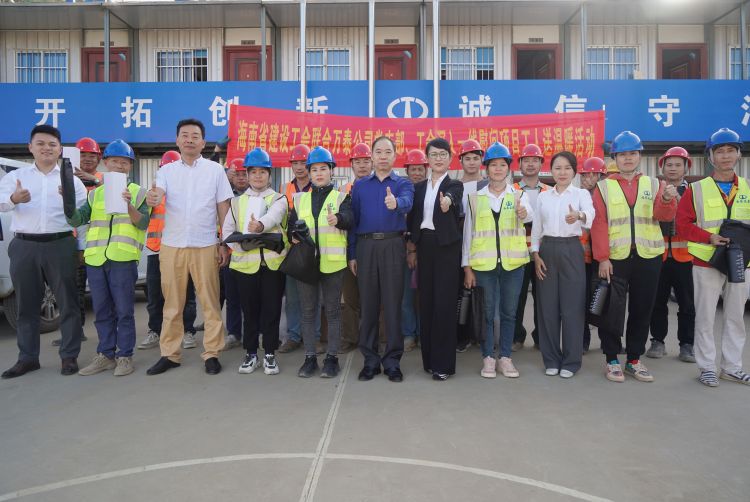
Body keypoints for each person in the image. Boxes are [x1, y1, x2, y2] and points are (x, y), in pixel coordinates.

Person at [145, 118, 234, 376]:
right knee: (172, 304)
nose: (190, 140)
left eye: (195, 136)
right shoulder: (167, 171)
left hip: (205, 244)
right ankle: (170, 354)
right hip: (172, 245)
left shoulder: (215, 171)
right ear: (177, 140)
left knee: (210, 302)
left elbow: (223, 207)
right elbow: (158, 193)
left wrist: (224, 242)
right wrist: (153, 196)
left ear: (203, 142)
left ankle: (212, 353)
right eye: (185, 135)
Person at [0, 124, 86, 379]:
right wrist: (14, 200)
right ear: (30, 147)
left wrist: (81, 247)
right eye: (40, 143)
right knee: (26, 305)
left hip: (60, 244)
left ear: (60, 149)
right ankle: (27, 358)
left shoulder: (72, 181)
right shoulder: (17, 177)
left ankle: (69, 356)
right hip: (24, 245)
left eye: (52, 144)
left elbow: (83, 218)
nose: (46, 148)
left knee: (68, 303)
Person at [592, 130, 677, 383]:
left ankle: (634, 359)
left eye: (632, 153)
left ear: (640, 156)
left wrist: (667, 199)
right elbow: (599, 223)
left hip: (648, 257)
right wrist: (603, 257)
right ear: (614, 158)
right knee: (611, 310)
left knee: (642, 309)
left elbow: (664, 216)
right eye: (622, 154)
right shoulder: (603, 187)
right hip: (615, 258)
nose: (628, 158)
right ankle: (611, 359)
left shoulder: (655, 184)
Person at [68, 140, 150, 377]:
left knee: (124, 311)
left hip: (123, 259)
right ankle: (105, 354)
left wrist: (128, 205)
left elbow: (143, 222)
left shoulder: (139, 192)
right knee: (102, 311)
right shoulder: (95, 195)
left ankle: (125, 356)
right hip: (96, 260)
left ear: (130, 166)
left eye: (125, 162)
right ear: (106, 163)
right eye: (115, 161)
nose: (119, 166)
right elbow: (77, 219)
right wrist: (67, 201)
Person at [676, 127, 750, 387]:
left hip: (741, 262)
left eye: (731, 150)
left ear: (739, 155)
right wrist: (708, 237)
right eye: (720, 151)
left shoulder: (748, 187)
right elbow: (682, 225)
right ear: (710, 157)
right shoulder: (696, 189)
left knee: (735, 316)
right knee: (706, 316)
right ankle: (707, 367)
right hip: (706, 261)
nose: (725, 156)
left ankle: (732, 367)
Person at [463, 142, 533, 379]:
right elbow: (468, 235)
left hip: (513, 265)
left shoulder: (520, 195)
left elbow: (530, 215)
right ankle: (488, 357)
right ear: (486, 169)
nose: (498, 169)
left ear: (508, 168)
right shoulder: (475, 198)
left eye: (502, 165)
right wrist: (467, 267)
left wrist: (524, 213)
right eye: (493, 165)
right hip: (484, 266)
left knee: (509, 313)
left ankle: (505, 357)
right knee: (487, 312)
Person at [349, 136, 414, 382]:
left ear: (395, 156)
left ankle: (392, 361)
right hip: (365, 247)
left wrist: (396, 203)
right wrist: (352, 254)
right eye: (379, 152)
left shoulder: (403, 183)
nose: (383, 156)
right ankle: (370, 361)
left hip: (393, 246)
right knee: (368, 306)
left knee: (393, 305)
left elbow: (408, 203)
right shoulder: (360, 186)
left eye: (388, 152)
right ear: (372, 156)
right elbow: (353, 221)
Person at [222, 148, 288, 376]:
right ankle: (251, 353)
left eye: (262, 172)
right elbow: (227, 232)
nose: (258, 176)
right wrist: (242, 246)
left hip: (272, 266)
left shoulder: (278, 199)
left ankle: (269, 354)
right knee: (249, 312)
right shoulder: (236, 202)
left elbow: (274, 216)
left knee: (271, 311)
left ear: (269, 174)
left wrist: (259, 226)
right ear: (247, 175)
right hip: (244, 266)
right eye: (253, 172)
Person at [289, 146, 353, 378]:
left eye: (323, 169)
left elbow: (350, 219)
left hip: (333, 263)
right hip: (306, 264)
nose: (318, 173)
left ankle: (332, 359)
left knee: (333, 311)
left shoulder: (342, 197)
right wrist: (293, 235)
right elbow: (290, 228)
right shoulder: (299, 200)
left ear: (331, 171)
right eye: (314, 169)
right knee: (307, 311)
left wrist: (340, 218)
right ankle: (309, 358)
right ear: (309, 173)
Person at [531, 151, 594, 378]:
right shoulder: (543, 196)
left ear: (574, 171)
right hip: (547, 250)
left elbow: (591, 214)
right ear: (551, 171)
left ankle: (571, 361)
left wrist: (579, 215)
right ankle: (551, 359)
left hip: (572, 250)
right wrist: (535, 254)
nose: (562, 172)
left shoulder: (580, 194)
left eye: (567, 168)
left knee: (572, 308)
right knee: (547, 308)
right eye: (557, 168)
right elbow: (537, 227)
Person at [407, 138, 463, 380]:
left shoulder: (455, 184)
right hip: (425, 246)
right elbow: (412, 217)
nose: (438, 158)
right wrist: (411, 248)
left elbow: (453, 197)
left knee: (444, 305)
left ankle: (443, 365)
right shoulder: (419, 188)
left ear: (450, 158)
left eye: (443, 154)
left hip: (447, 249)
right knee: (427, 303)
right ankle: (429, 360)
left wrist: (446, 202)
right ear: (427, 159)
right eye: (434, 154)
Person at [137, 150, 200, 351]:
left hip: (182, 250)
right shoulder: (152, 194)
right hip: (156, 251)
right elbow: (142, 219)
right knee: (155, 295)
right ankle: (155, 330)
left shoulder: (188, 194)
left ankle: (188, 331)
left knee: (186, 294)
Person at [647, 147, 696, 363]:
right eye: (669, 165)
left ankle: (687, 344)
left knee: (687, 303)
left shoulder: (694, 192)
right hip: (659, 255)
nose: (673, 168)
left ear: (686, 168)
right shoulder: (655, 190)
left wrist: (680, 198)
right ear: (663, 168)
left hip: (686, 257)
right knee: (657, 302)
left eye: (678, 165)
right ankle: (657, 341)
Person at [51, 136, 102, 347]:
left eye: (92, 156)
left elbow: (116, 193)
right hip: (74, 243)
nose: (87, 159)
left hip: (100, 244)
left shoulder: (103, 179)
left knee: (101, 291)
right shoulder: (65, 179)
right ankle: (75, 331)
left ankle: (108, 333)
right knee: (74, 290)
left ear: (99, 159)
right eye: (83, 155)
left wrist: (93, 180)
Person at [278, 144, 322, 354]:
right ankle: (294, 336)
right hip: (292, 249)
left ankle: (315, 337)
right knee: (293, 296)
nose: (299, 167)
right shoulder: (284, 189)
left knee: (315, 296)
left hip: (314, 248)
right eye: (295, 163)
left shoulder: (319, 187)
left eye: (303, 163)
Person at [512, 143, 550, 351]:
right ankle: (517, 336)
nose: (530, 164)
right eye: (526, 160)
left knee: (542, 296)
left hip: (543, 251)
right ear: (519, 164)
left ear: (541, 164)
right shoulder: (512, 191)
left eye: (535, 160)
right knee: (516, 296)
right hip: (518, 251)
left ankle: (540, 337)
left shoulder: (550, 191)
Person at [340, 143, 373, 353]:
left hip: (373, 247)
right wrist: (351, 253)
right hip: (348, 248)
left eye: (365, 161)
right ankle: (350, 337)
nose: (362, 165)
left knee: (375, 296)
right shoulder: (344, 191)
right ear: (351, 165)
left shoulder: (379, 187)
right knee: (349, 297)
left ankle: (377, 338)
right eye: (357, 161)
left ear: (372, 163)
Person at [456, 139, 488, 352]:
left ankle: (481, 334)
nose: (472, 162)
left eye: (476, 158)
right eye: (467, 158)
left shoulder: (488, 185)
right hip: (458, 243)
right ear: (461, 161)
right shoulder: (454, 186)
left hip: (483, 244)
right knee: (461, 290)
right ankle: (463, 335)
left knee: (482, 290)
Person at [577, 156, 607, 353]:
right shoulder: (576, 197)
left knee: (605, 299)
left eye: (594, 175)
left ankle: (608, 341)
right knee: (581, 301)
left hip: (604, 258)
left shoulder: (607, 198)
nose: (588, 179)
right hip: (582, 260)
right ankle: (583, 341)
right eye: (585, 175)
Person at [402, 149, 429, 352]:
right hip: (404, 250)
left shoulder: (431, 191)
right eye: (413, 169)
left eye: (420, 169)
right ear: (407, 171)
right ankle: (409, 334)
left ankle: (424, 333)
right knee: (406, 296)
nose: (417, 173)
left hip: (427, 251)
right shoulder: (402, 191)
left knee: (425, 295)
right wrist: (410, 249)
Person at [220, 157, 248, 350]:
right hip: (230, 252)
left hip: (251, 252)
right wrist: (222, 246)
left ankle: (254, 331)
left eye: (243, 174)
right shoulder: (225, 197)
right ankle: (234, 333)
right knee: (232, 296)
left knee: (252, 296)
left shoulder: (256, 195)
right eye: (236, 174)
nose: (240, 177)